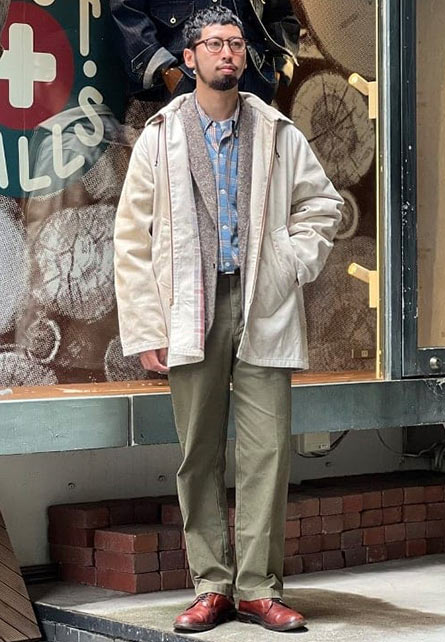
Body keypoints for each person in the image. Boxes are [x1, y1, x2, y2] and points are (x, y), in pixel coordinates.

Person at [114, 6, 343, 633]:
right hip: (192, 305)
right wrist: (147, 326)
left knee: (267, 451)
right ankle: (211, 585)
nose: (227, 54)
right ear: (189, 58)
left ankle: (259, 590)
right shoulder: (161, 136)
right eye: (214, 44)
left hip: (262, 300)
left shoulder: (275, 129)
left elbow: (322, 206)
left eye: (236, 44)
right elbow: (131, 238)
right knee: (199, 452)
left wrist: (288, 262)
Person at [110, 0, 300, 103]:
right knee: (185, 161)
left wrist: (280, 66)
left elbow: (281, 12)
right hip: (183, 83)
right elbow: (127, 11)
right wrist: (165, 71)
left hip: (252, 83)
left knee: (254, 161)